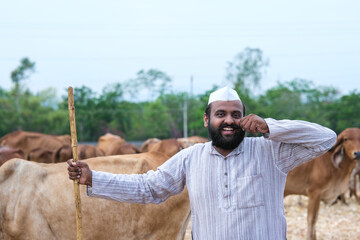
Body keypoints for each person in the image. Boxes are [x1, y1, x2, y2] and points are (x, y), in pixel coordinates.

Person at [67, 86, 337, 240]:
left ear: (245, 119)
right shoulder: (190, 157)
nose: (229, 120)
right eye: (221, 114)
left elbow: (325, 139)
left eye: (236, 114)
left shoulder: (270, 152)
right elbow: (148, 187)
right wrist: (95, 178)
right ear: (207, 120)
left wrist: (271, 126)